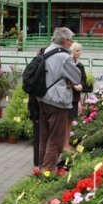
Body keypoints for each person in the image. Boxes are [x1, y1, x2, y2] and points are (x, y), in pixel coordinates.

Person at [38, 27, 82, 171]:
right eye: (70, 41)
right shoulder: (63, 56)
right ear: (64, 41)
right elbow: (77, 77)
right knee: (56, 139)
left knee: (44, 136)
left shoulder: (46, 50)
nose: (71, 44)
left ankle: (42, 166)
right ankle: (48, 170)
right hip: (57, 100)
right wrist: (68, 80)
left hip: (43, 98)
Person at [65, 41, 86, 151]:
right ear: (72, 51)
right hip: (66, 96)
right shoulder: (67, 64)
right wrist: (73, 85)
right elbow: (65, 78)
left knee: (69, 121)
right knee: (64, 121)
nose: (80, 53)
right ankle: (63, 145)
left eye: (80, 51)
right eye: (77, 51)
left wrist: (80, 85)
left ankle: (67, 144)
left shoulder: (80, 66)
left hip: (74, 97)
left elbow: (84, 79)